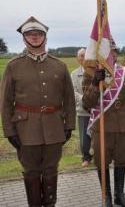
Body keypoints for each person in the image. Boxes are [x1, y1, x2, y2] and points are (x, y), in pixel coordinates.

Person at [0, 16, 76, 207]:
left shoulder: (59, 65)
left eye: (39, 34)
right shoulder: (13, 66)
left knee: (51, 170)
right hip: (26, 130)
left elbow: (69, 100)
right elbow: (6, 102)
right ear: (24, 38)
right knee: (31, 172)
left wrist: (69, 125)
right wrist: (9, 131)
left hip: (54, 128)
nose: (35, 37)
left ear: (46, 37)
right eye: (30, 34)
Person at [82, 41, 125, 207]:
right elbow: (86, 103)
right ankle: (107, 196)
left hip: (123, 126)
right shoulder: (91, 73)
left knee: (121, 160)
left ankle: (120, 194)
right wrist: (95, 84)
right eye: (108, 51)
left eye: (114, 51)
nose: (111, 54)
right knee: (101, 161)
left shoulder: (122, 72)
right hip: (102, 126)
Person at [71, 48, 92, 167]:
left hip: (97, 110)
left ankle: (101, 155)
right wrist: (85, 100)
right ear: (78, 59)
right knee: (84, 137)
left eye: (86, 56)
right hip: (83, 110)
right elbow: (73, 91)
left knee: (98, 135)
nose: (84, 58)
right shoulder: (74, 74)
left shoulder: (97, 72)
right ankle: (86, 158)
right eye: (81, 56)